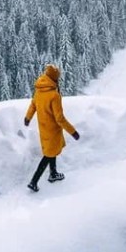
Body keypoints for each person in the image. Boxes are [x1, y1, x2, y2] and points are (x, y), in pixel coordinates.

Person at [24, 64, 79, 192]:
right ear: (54, 78)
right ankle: (33, 181)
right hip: (53, 129)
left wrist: (28, 118)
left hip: (43, 128)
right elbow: (59, 118)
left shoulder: (39, 90)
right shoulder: (54, 95)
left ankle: (53, 174)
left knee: (51, 151)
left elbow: (33, 105)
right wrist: (73, 132)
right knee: (49, 154)